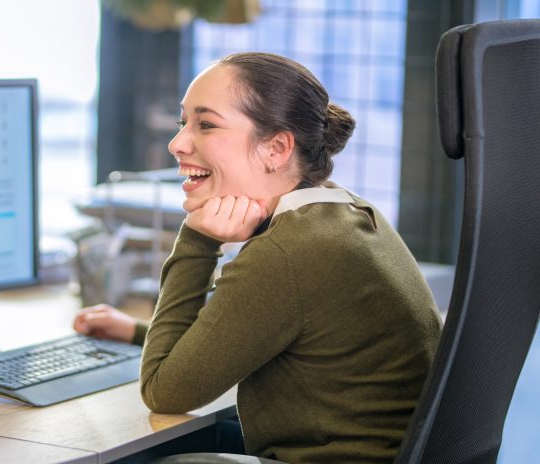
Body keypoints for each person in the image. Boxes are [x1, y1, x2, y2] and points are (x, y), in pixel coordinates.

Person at [74, 52, 442, 463]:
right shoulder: (350, 213)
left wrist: (197, 240)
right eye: (184, 123)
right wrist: (136, 331)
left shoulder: (288, 254)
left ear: (276, 148)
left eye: (206, 124)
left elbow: (164, 391)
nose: (176, 144)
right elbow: (250, 330)